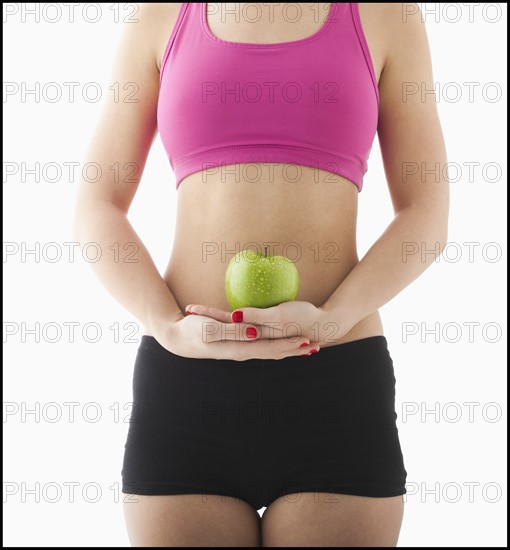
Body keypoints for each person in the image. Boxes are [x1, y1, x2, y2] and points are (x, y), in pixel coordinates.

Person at [74, 3, 449, 546]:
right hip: (188, 389)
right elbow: (96, 204)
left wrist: (331, 321)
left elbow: (427, 214)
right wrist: (167, 326)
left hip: (335, 383)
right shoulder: (160, 15)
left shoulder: (388, 14)